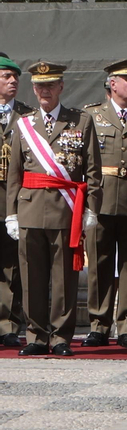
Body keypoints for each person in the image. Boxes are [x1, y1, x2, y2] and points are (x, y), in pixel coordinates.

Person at [5, 62, 101, 356]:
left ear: (61, 87)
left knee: (63, 278)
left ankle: (60, 337)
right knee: (32, 276)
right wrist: (11, 213)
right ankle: (35, 335)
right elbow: (15, 175)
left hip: (65, 210)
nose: (44, 91)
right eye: (39, 86)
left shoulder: (80, 121)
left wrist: (90, 210)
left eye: (50, 85)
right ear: (33, 89)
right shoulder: (24, 124)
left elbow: (94, 173)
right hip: (31, 209)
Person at [81, 59, 127, 350]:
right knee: (99, 264)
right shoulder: (91, 116)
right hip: (101, 199)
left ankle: (126, 327)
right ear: (112, 83)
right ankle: (98, 325)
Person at [0, 52, 33, 347]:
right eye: (6, 77)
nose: (13, 81)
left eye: (15, 78)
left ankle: (8, 325)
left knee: (13, 265)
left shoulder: (26, 116)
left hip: (13, 199)